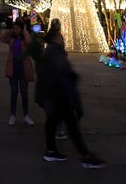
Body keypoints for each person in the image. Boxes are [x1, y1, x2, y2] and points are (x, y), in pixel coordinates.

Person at [35, 31, 106, 168]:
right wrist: (72, 77)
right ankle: (85, 155)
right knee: (71, 125)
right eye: (61, 37)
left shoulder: (50, 51)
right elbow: (62, 71)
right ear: (55, 38)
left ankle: (51, 151)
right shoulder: (55, 52)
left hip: (52, 94)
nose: (63, 39)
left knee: (53, 121)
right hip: (58, 94)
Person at [0, 20, 35, 126]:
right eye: (14, 28)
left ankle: (26, 115)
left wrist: (24, 31)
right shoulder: (11, 39)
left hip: (23, 68)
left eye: (17, 28)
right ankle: (13, 115)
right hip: (13, 68)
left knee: (24, 93)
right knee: (14, 93)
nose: (15, 30)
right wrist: (10, 31)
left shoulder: (24, 39)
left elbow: (28, 42)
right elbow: (1, 37)